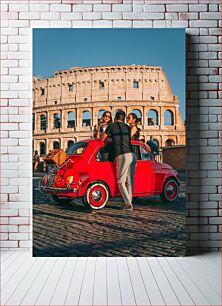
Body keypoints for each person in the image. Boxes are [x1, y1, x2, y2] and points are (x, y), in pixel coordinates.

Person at [101, 110, 137, 211]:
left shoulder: (111, 126)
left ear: (115, 117)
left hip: (122, 155)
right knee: (130, 181)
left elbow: (102, 138)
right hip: (132, 155)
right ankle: (129, 201)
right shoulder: (127, 127)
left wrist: (109, 137)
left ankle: (128, 205)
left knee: (121, 182)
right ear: (124, 119)